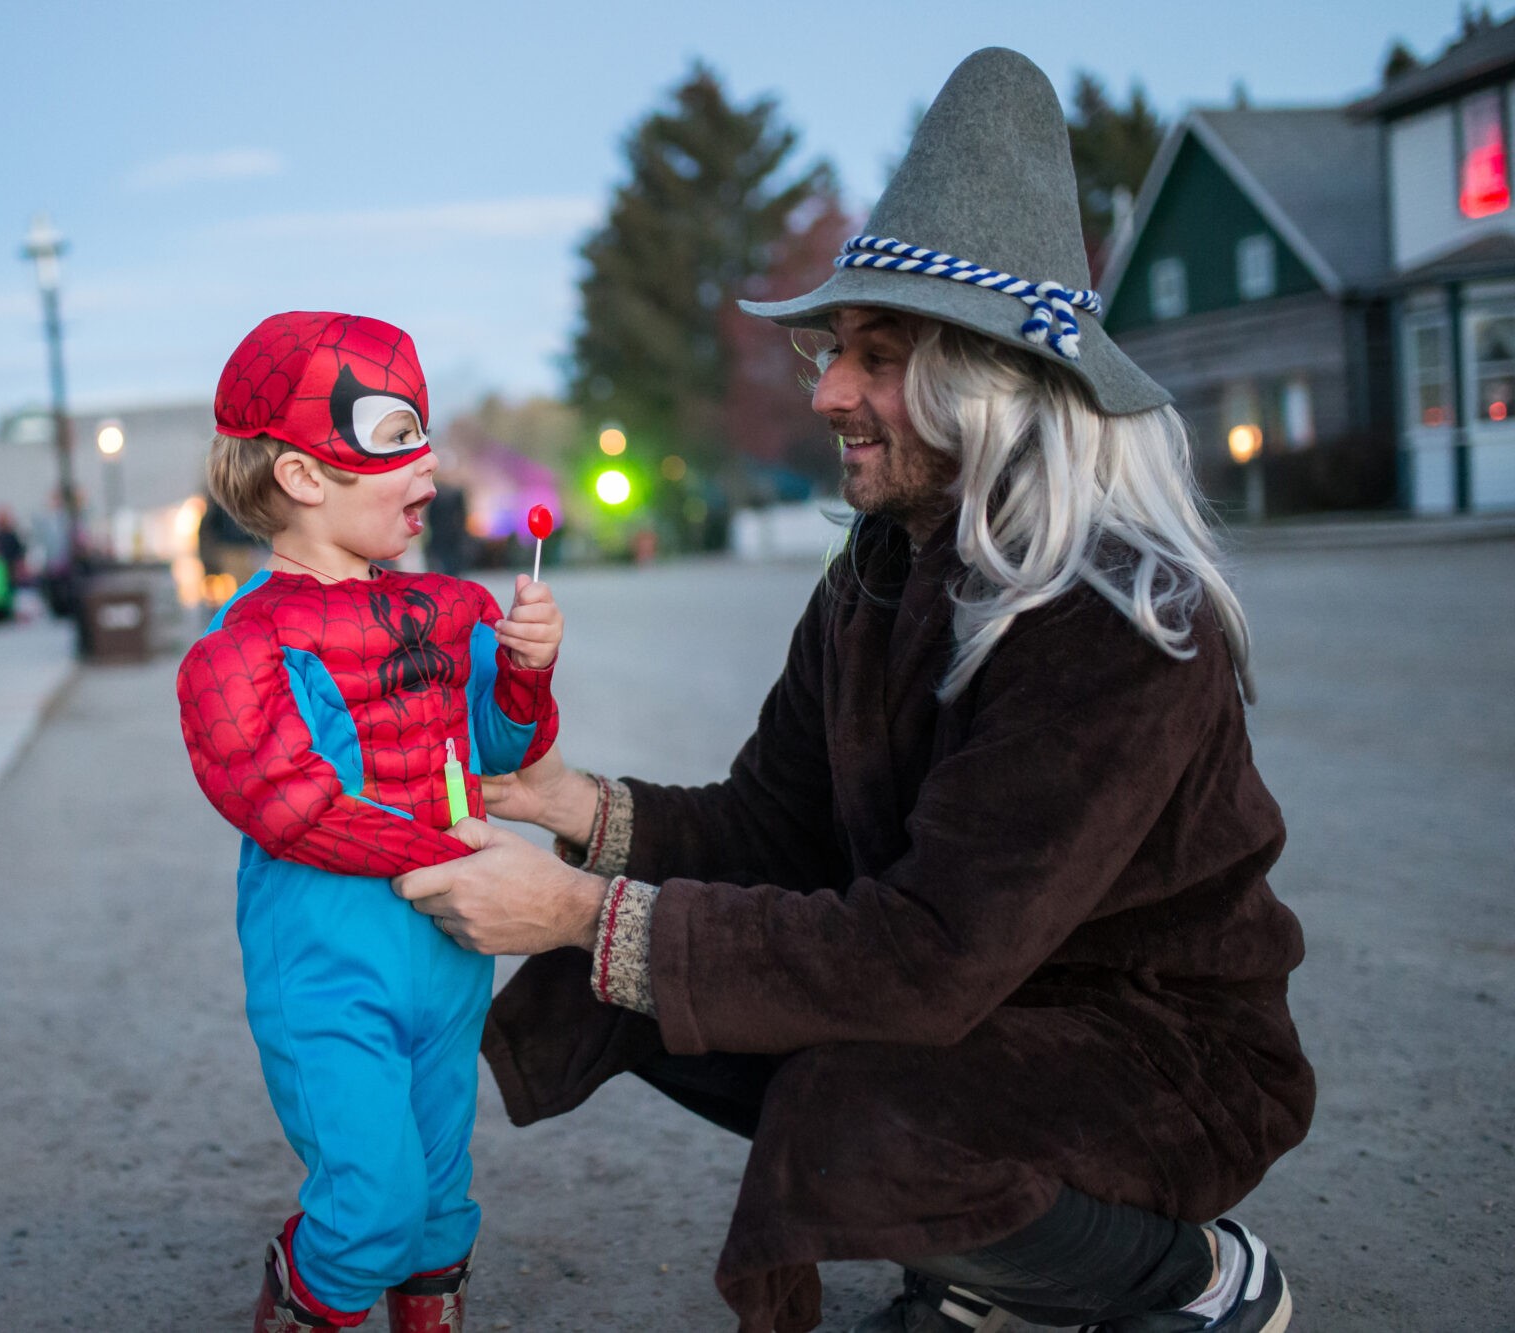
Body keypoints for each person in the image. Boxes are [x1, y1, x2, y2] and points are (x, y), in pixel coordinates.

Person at [392, 49, 1310, 1333]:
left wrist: (577, 911)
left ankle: (1190, 1275)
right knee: (635, 990)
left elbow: (925, 955)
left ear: (988, 380)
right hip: (987, 999)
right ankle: (998, 1278)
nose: (825, 389)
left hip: (1156, 1048)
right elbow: (776, 827)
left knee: (847, 1112)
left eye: (871, 356)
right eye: (833, 348)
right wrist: (575, 805)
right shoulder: (880, 566)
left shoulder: (1111, 613)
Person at [176, 312, 565, 1333]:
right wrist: (455, 853)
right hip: (327, 960)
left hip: (447, 952)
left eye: (421, 432)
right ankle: (306, 1298)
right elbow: (289, 805)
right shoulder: (242, 648)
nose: (428, 461)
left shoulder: (453, 609)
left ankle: (426, 1307)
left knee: (439, 1190)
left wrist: (524, 663)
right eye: (396, 438)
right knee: (372, 1202)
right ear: (303, 474)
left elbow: (502, 743)